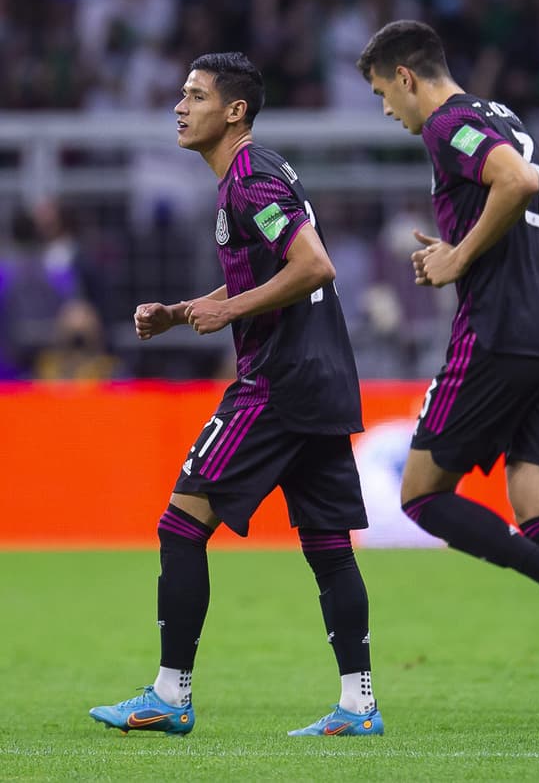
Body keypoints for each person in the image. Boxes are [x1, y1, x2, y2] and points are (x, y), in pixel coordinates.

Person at [355, 20, 539, 714]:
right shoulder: (508, 120)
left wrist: (460, 257)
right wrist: (475, 239)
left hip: (499, 333)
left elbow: (515, 183)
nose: (385, 110)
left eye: (381, 93)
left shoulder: (447, 123)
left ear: (406, 77)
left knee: (423, 496)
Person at [89, 52, 382, 737]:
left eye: (195, 95)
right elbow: (277, 269)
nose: (179, 107)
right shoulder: (253, 177)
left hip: (279, 381)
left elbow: (315, 264)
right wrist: (188, 309)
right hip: (323, 378)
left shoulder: (248, 178)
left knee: (181, 524)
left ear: (234, 111)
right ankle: (358, 704)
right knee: (328, 544)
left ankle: (169, 694)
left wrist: (228, 312)